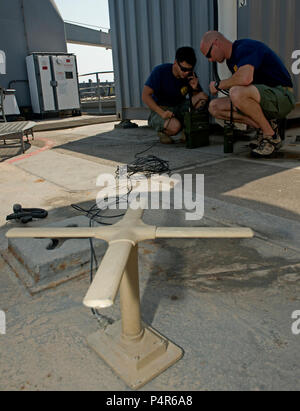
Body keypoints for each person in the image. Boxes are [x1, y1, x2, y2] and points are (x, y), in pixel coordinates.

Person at [200, 31, 296, 157]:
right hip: (265, 98)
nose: (210, 59)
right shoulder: (231, 61)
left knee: (236, 93)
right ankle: (265, 127)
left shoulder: (244, 48)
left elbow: (245, 79)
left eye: (209, 54)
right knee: (214, 107)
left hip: (282, 96)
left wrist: (219, 85)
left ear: (216, 43)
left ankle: (271, 137)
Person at [142, 47, 208, 144]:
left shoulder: (190, 75)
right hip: (162, 108)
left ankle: (188, 129)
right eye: (184, 69)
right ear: (176, 63)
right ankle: (162, 131)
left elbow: (197, 98)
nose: (186, 73)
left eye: (190, 70)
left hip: (179, 106)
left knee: (202, 99)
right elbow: (145, 96)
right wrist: (161, 113)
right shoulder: (160, 71)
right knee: (174, 127)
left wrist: (195, 88)